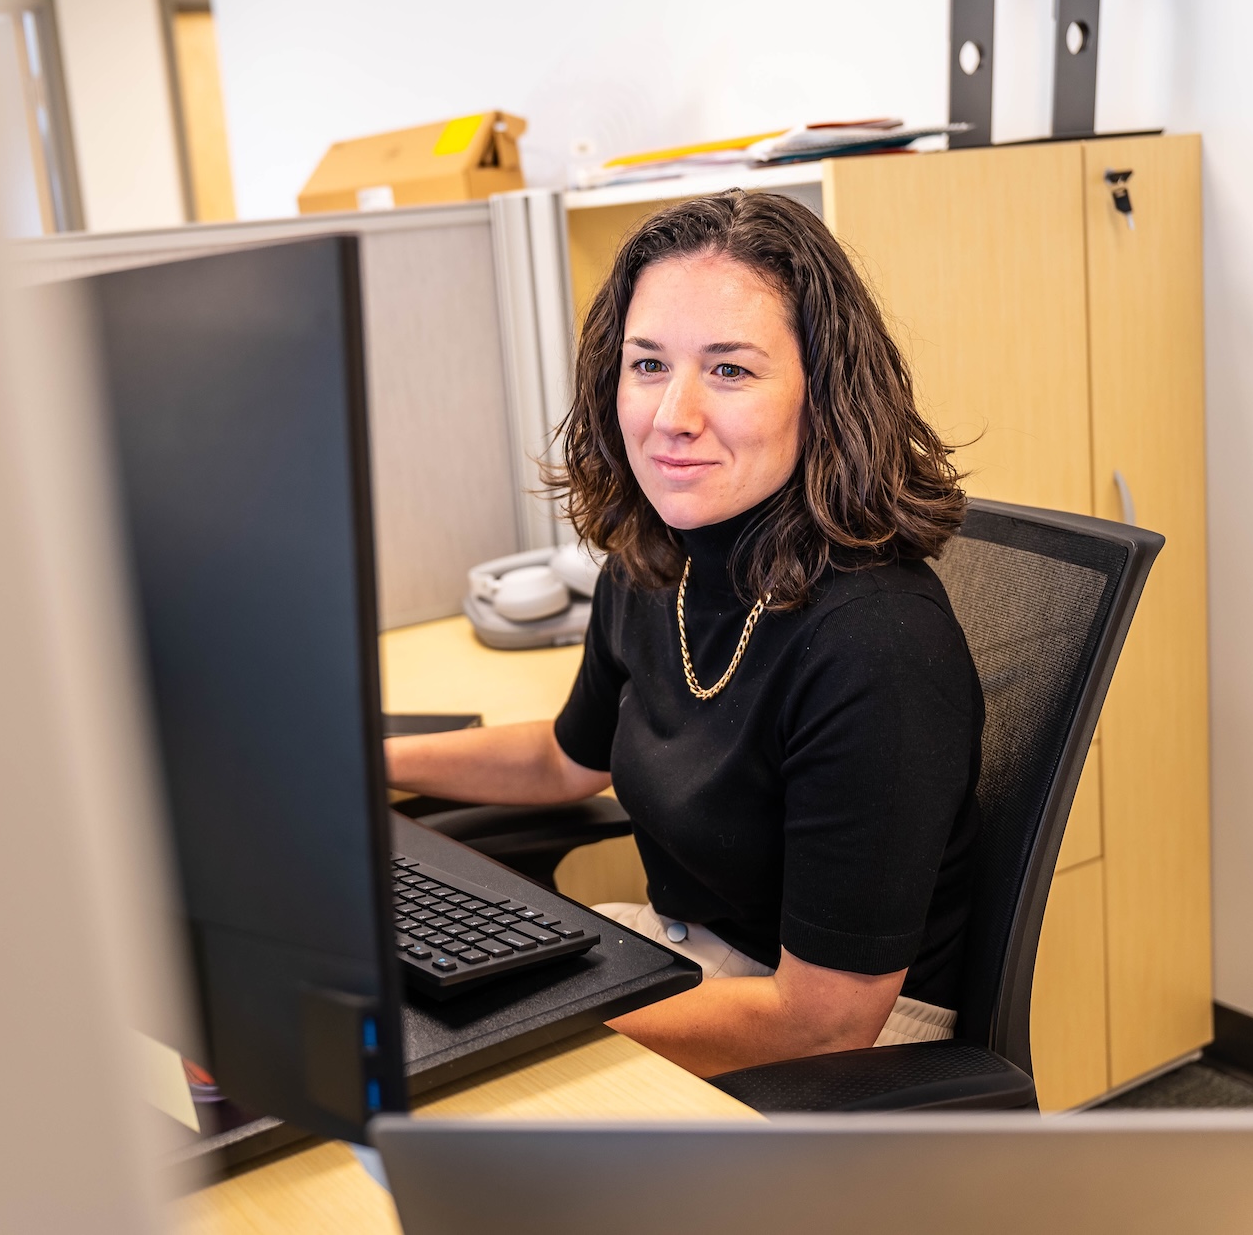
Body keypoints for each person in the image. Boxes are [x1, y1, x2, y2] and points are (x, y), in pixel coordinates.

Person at [385, 190, 980, 1079]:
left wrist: (522, 1036)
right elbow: (564, 760)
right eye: (649, 364)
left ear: (823, 395)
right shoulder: (659, 555)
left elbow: (824, 1021)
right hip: (686, 960)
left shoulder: (878, 647)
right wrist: (367, 760)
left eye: (731, 370)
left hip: (838, 1040)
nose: (673, 415)